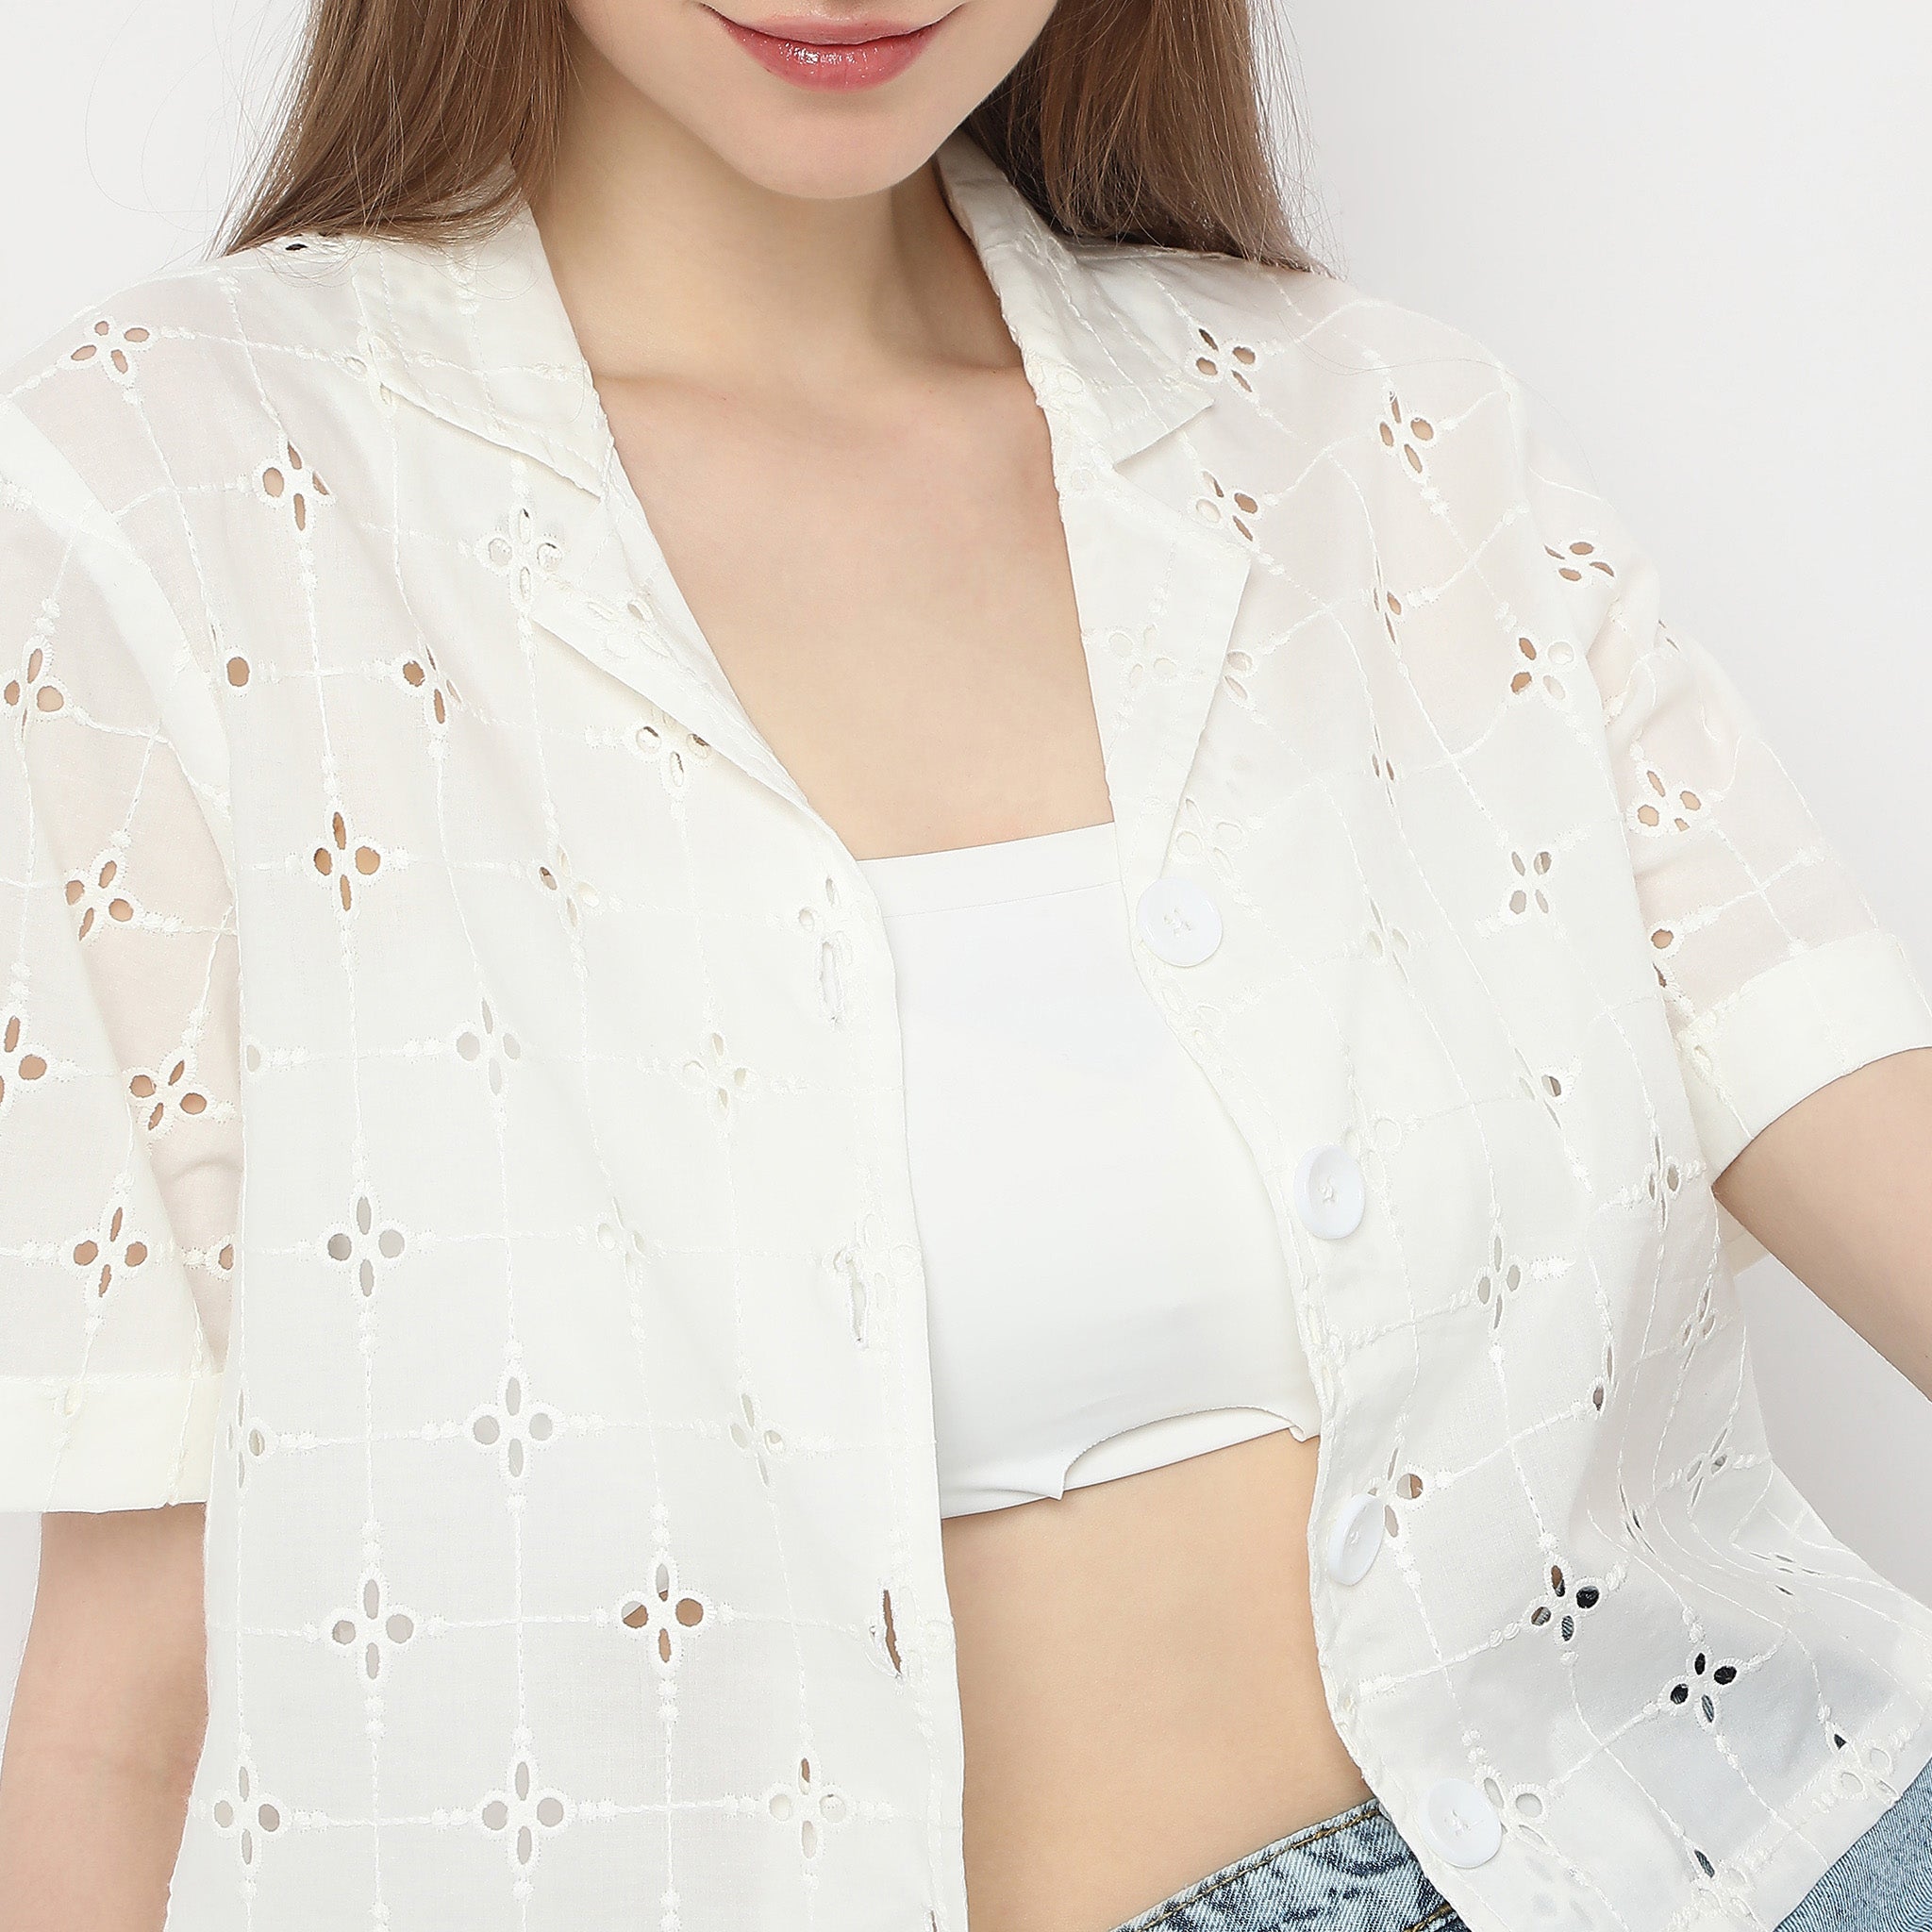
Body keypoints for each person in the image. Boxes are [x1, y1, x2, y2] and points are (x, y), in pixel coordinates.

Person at [2, 1, 1930, 1928]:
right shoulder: (181, 498)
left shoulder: (1369, 427)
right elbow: (128, 1699)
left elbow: (1847, 1106)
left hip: (1748, 1848)